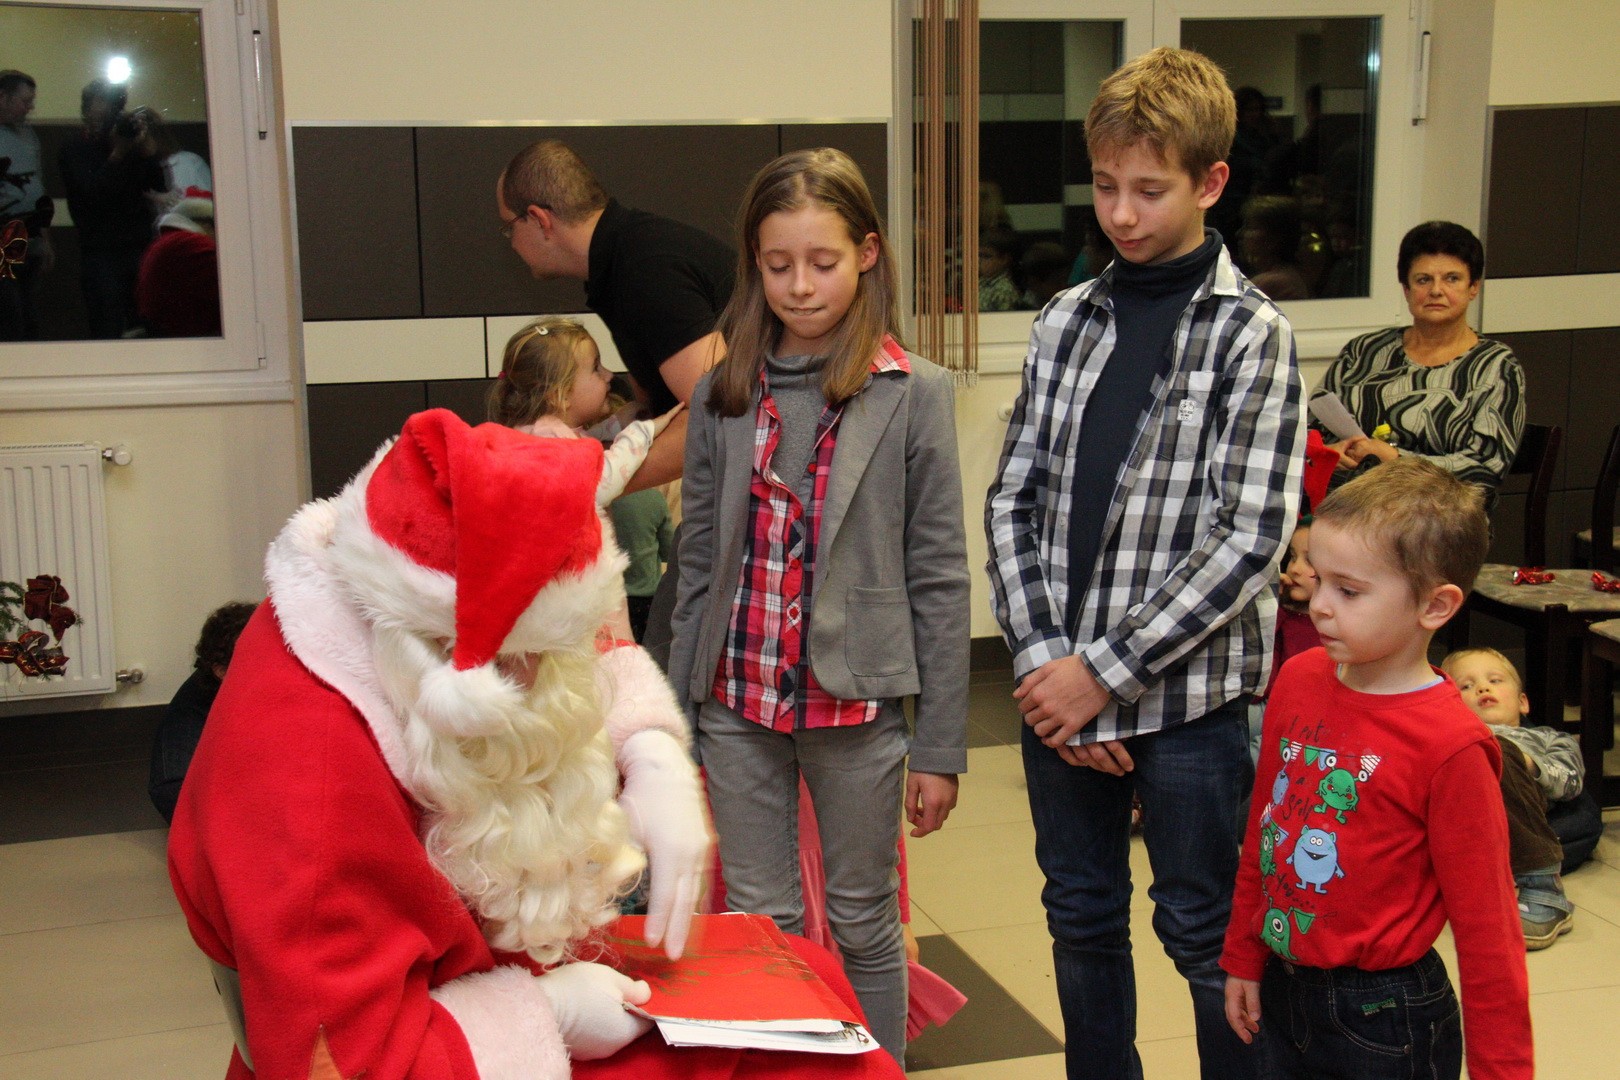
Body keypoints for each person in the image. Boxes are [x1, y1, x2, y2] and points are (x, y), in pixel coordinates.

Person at [168, 409, 901, 1080]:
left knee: (803, 976)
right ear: (443, 648)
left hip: (464, 965)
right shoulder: (313, 778)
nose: (549, 678)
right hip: (437, 1043)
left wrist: (648, 749)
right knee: (822, 1066)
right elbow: (337, 1061)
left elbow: (569, 643)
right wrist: (547, 1014)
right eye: (529, 657)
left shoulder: (391, 579)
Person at [985, 46, 1304, 1080]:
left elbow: (1250, 537)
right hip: (1057, 688)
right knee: (1080, 917)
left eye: (1150, 190)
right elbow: (1013, 498)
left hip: (1190, 704)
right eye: (1106, 186)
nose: (1121, 214)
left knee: (1205, 934)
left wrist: (1102, 677)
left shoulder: (1252, 335)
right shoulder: (1066, 320)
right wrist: (1046, 665)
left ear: (1211, 183)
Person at [668, 147, 970, 1066]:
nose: (800, 286)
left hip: (857, 703)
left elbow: (939, 575)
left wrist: (941, 746)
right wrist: (674, 720)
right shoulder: (725, 391)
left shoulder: (915, 393)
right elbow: (697, 563)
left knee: (864, 918)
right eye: (777, 265)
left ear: (868, 253)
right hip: (737, 701)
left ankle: (876, 1071)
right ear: (754, 267)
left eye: (823, 262)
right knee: (761, 924)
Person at [1223, 458, 1532, 1079]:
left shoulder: (1452, 745)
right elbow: (1266, 829)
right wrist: (1244, 955)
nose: (1319, 606)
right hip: (1283, 986)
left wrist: (1503, 1072)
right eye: (1318, 579)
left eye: (1349, 591)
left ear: (1435, 605)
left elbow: (1489, 930)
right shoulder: (1299, 679)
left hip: (1386, 1016)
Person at [497, 139, 733, 494]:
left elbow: (717, 415)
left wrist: (583, 487)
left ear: (539, 219)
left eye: (509, 227)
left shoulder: (646, 271)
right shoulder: (622, 262)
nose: (511, 242)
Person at [1313, 221, 1526, 492]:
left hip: (1440, 510)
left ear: (1473, 287)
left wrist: (1396, 460)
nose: (1436, 290)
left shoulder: (1496, 366)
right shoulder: (1364, 350)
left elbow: (1486, 468)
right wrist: (1330, 451)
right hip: (1348, 499)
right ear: (1406, 289)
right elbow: (1310, 430)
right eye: (1423, 280)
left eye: (1452, 279)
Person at [1441, 646, 1594, 949]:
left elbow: (1570, 782)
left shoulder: (1548, 738)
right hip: (1460, 818)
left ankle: (1543, 887)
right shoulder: (1447, 738)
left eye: (1495, 680)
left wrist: (1527, 763)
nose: (1482, 688)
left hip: (1522, 811)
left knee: (1495, 749)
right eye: (1466, 686)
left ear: (1523, 702)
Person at [486, 316, 683, 507]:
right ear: (561, 395)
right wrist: (641, 433)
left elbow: (581, 446)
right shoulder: (548, 441)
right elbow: (598, 485)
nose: (609, 375)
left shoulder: (543, 434)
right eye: (596, 368)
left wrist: (615, 424)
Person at [58, 78, 165, 338]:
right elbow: (91, 194)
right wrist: (117, 153)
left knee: (146, 323)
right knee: (106, 325)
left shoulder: (130, 145)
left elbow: (157, 186)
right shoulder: (75, 148)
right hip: (100, 250)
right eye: (102, 104)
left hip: (138, 244)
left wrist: (147, 151)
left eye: (115, 106)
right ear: (87, 110)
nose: (108, 113)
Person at [147, 600, 255, 823]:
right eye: (254, 660)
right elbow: (172, 792)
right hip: (208, 809)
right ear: (221, 671)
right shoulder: (192, 712)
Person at [0, 70, 52, 341]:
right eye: (25, 100)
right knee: (10, 314)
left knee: (29, 311)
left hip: (31, 233)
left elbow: (37, 188)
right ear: (3, 97)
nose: (30, 107)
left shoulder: (28, 135)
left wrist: (45, 240)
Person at [134, 185, 220, 336]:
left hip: (161, 328)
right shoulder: (192, 244)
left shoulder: (169, 240)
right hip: (182, 331)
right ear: (207, 223)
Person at [977, 227, 1020, 311]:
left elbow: (1005, 317)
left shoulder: (1004, 290)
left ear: (1004, 259)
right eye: (979, 255)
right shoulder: (982, 281)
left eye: (986, 256)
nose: (979, 261)